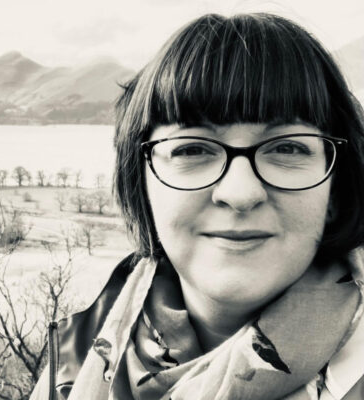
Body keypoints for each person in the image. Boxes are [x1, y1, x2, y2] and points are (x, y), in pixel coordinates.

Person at [31, 12, 364, 400]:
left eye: (287, 147)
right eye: (192, 149)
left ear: (336, 189)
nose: (240, 193)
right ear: (143, 183)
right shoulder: (75, 361)